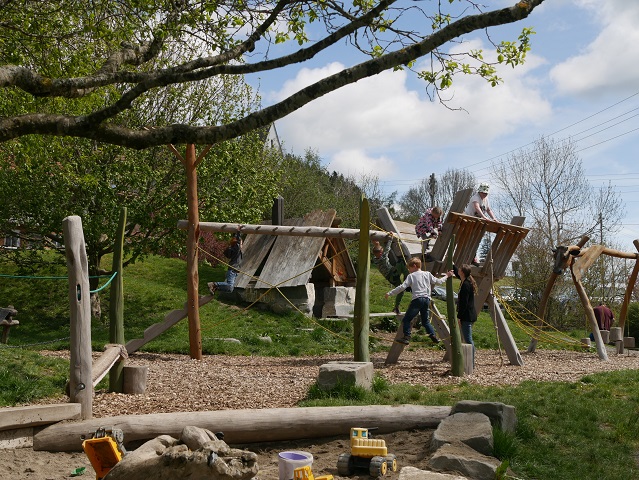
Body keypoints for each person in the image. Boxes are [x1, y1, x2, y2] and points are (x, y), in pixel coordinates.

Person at [384, 257, 453, 345]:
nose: (409, 270)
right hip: (426, 300)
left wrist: (390, 293)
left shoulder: (411, 276)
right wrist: (447, 275)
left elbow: (402, 287)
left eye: (409, 268)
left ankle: (406, 337)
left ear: (414, 266)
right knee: (425, 321)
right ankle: (433, 336)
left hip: (417, 300)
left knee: (406, 319)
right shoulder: (427, 274)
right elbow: (438, 281)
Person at [372, 236, 408, 315]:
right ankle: (408, 278)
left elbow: (377, 250)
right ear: (381, 253)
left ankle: (396, 307)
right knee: (401, 263)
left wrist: (376, 245)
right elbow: (387, 248)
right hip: (393, 274)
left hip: (391, 278)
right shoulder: (383, 258)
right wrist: (390, 238)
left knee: (401, 290)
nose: (383, 251)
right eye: (382, 251)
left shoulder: (375, 259)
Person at [454, 264, 478, 365]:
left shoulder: (466, 285)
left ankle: (471, 362)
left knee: (468, 339)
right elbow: (457, 274)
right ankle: (469, 360)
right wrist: (453, 264)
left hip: (467, 316)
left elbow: (464, 303)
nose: (458, 271)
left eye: (459, 269)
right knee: (467, 338)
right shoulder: (464, 280)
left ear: (462, 272)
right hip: (467, 315)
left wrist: (459, 317)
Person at [208, 226, 243, 295]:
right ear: (237, 245)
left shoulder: (233, 250)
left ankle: (215, 287)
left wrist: (236, 234)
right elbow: (238, 242)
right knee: (230, 287)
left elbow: (237, 242)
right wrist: (238, 232)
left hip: (233, 271)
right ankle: (214, 284)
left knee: (230, 289)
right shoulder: (236, 250)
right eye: (241, 244)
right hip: (232, 271)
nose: (242, 245)